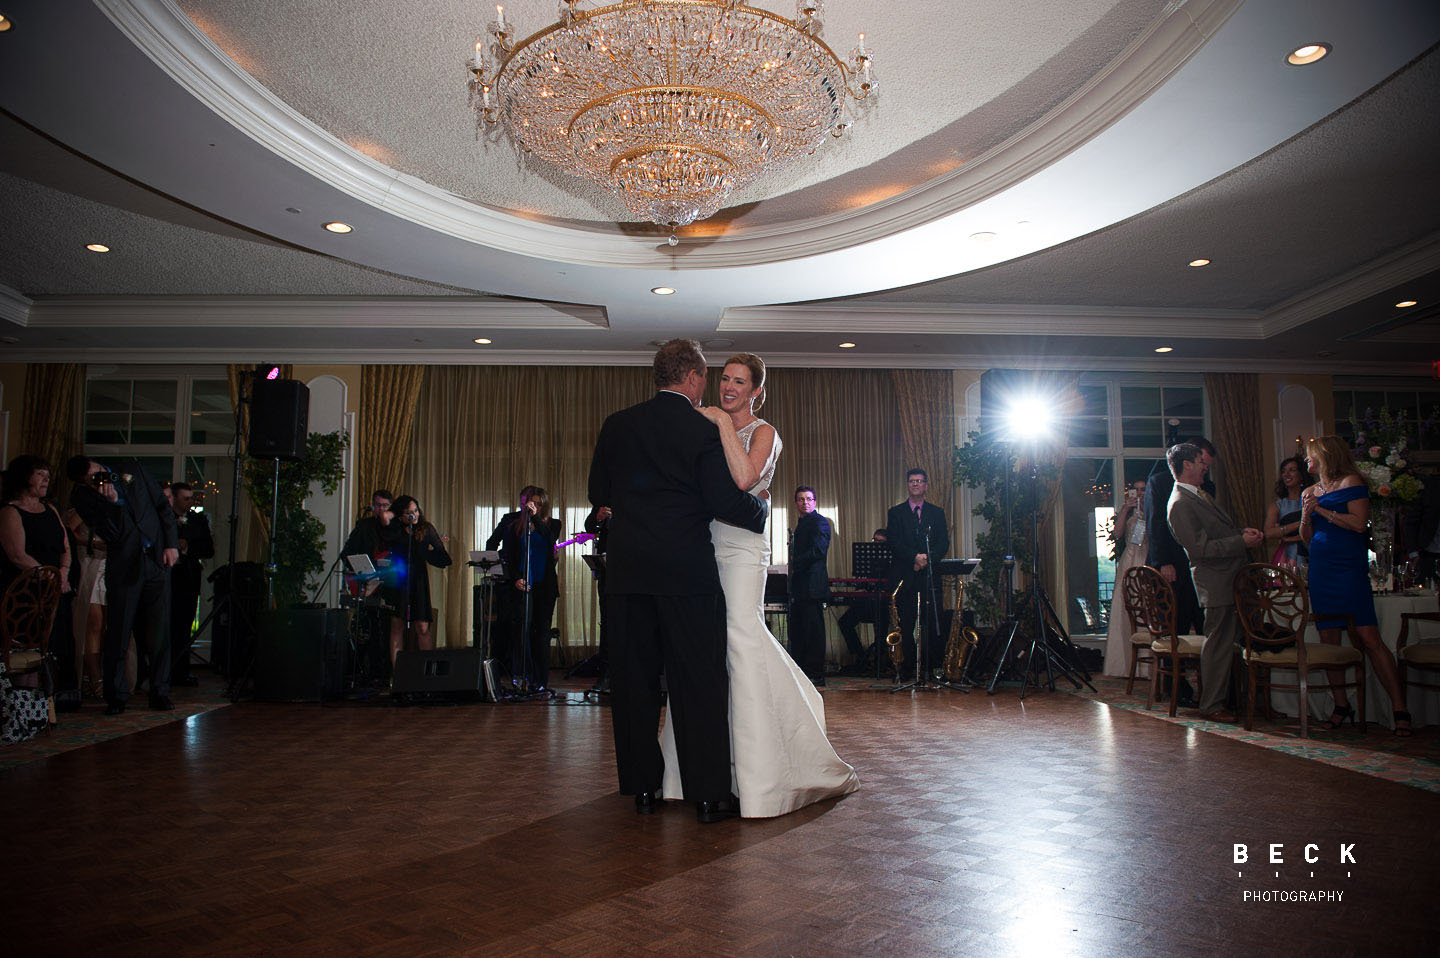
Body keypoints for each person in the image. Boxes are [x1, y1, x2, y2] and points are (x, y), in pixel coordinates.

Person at [658, 353, 858, 818]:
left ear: (756, 391)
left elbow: (746, 478)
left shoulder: (763, 432)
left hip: (744, 549)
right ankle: (701, 769)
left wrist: (719, 424)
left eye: (739, 382)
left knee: (742, 637)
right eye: (724, 379)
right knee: (708, 647)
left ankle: (763, 774)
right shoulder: (705, 427)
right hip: (705, 545)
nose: (728, 387)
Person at [588, 339, 769, 824]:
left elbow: (598, 494)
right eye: (707, 377)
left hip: (627, 576)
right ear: (692, 377)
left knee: (633, 685)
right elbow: (726, 502)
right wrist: (762, 510)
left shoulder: (616, 425)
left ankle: (642, 788)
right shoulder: (703, 429)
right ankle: (708, 795)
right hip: (686, 575)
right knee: (698, 683)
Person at [1300, 435, 1410, 736]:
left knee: (1368, 635)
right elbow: (1307, 538)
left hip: (1348, 568)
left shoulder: (1351, 482)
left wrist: (1320, 510)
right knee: (1329, 640)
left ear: (1325, 455)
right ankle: (1340, 705)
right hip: (1321, 571)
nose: (1306, 462)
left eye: (1310, 456)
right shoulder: (1309, 490)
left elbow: (1359, 525)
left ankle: (1400, 707)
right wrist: (1306, 514)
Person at [66, 456, 178, 714]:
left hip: (157, 559)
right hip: (125, 566)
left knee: (159, 630)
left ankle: (159, 691)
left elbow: (161, 505)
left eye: (95, 473)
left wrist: (171, 544)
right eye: (88, 480)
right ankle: (116, 695)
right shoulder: (83, 497)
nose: (95, 480)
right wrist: (112, 503)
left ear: (95, 464)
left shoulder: (130, 467)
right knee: (119, 630)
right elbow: (112, 534)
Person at [1164, 442, 1263, 722]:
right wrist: (1240, 542)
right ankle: (1212, 705)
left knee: (1230, 643)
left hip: (1231, 577)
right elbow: (1200, 550)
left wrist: (1240, 533)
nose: (1205, 466)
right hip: (1217, 580)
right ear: (1186, 466)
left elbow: (1215, 534)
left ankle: (1244, 701)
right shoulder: (1180, 503)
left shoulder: (1198, 496)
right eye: (1200, 462)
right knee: (1218, 645)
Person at [1, 455, 75, 696]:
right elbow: (17, 554)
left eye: (48, 475)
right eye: (40, 474)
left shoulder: (50, 509)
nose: (46, 479)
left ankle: (46, 704)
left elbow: (65, 547)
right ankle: (24, 703)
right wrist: (50, 577)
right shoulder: (10, 511)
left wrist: (63, 572)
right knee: (26, 650)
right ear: (24, 478)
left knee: (51, 648)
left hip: (54, 590)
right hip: (26, 592)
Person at [1144, 437, 1217, 638]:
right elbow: (1155, 524)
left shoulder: (1208, 488)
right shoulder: (1159, 482)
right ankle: (1174, 668)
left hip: (1199, 566)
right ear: (1190, 460)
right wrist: (1164, 562)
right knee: (1174, 628)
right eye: (1204, 464)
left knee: (1205, 626)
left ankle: (1205, 668)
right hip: (1171, 566)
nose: (1205, 470)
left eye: (1208, 467)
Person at [885, 468, 949, 676]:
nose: (915, 484)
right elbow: (894, 542)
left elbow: (943, 542)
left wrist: (927, 559)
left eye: (919, 481)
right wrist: (914, 557)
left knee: (930, 623)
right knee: (905, 623)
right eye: (912, 481)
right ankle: (908, 668)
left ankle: (929, 669)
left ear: (926, 485)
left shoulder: (937, 513)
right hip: (905, 576)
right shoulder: (895, 513)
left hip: (929, 578)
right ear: (907, 485)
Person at [498, 487, 561, 692]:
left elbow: (550, 541)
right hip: (522, 584)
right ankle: (522, 676)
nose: (534, 506)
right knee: (521, 631)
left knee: (541, 634)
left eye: (538, 503)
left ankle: (541, 681)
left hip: (544, 585)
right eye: (530, 502)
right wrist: (514, 578)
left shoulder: (552, 524)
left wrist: (535, 519)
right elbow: (505, 552)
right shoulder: (512, 522)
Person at [378, 495, 452, 668]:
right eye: (408, 513)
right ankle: (397, 673)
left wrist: (427, 552)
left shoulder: (426, 529)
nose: (414, 515)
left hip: (418, 581)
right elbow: (384, 520)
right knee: (397, 625)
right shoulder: (395, 529)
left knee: (422, 626)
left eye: (416, 511)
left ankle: (427, 670)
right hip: (398, 580)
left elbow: (444, 559)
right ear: (400, 515)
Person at [166, 482, 214, 686]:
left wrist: (188, 546)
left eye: (191, 498)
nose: (190, 502)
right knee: (163, 625)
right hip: (166, 578)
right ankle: (159, 671)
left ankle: (181, 670)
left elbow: (208, 549)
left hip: (187, 578)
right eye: (185, 498)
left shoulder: (198, 520)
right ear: (174, 498)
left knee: (184, 626)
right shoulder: (163, 517)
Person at [62, 497, 107, 700]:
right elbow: (68, 533)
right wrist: (93, 542)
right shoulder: (85, 507)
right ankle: (95, 678)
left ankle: (96, 676)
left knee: (106, 627)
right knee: (93, 627)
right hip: (91, 565)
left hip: (110, 568)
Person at [1102, 478, 1148, 677]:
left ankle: (1147, 666)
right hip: (1129, 561)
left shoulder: (1155, 510)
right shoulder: (1127, 511)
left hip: (1147, 560)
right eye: (1136, 490)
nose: (1139, 493)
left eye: (1143, 490)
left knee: (1146, 610)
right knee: (1124, 609)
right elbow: (1118, 534)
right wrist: (1124, 511)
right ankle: (1123, 664)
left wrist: (1146, 512)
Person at [788, 486, 831, 686]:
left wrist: (794, 564)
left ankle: (815, 673)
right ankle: (803, 671)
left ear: (815, 502)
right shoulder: (802, 523)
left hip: (812, 585)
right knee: (800, 630)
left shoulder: (820, 522)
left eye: (808, 499)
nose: (805, 503)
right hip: (801, 586)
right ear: (796, 503)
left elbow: (818, 551)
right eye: (801, 499)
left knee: (813, 631)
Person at [837, 528, 889, 672]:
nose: (876, 544)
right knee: (844, 622)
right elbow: (861, 582)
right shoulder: (866, 559)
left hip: (884, 606)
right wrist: (861, 589)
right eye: (875, 540)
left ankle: (880, 663)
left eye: (880, 542)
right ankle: (861, 657)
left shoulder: (891, 561)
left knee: (881, 629)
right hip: (865, 604)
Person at [1264, 456, 1310, 565]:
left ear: (1301, 475)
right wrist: (1300, 523)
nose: (1286, 474)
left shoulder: (1310, 500)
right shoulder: (1277, 505)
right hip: (1287, 557)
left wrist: (1292, 538)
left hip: (1311, 552)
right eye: (1284, 471)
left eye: (1292, 470)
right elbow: (1268, 533)